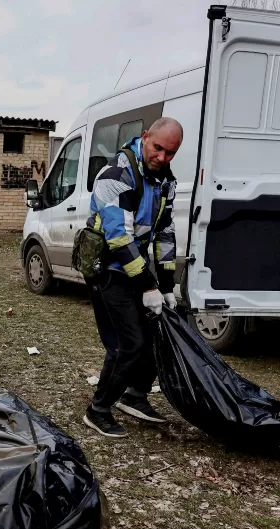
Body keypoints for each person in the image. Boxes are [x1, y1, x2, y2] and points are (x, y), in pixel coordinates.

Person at [81, 117, 182, 438]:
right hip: (107, 268)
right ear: (145, 137)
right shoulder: (116, 175)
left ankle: (135, 396)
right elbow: (119, 239)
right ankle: (98, 410)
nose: (162, 158)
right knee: (128, 344)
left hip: (134, 266)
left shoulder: (165, 182)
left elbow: (165, 233)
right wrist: (149, 286)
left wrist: (167, 286)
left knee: (159, 330)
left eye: (171, 153)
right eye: (158, 148)